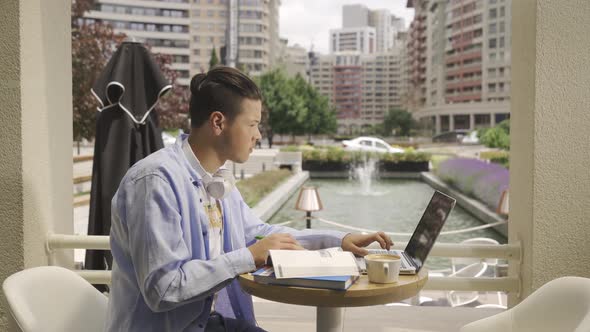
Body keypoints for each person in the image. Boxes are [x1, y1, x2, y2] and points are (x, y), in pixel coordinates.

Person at [105, 66, 393, 332]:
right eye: (253, 124)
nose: (258, 135)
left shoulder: (216, 178)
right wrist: (248, 257)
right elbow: (163, 289)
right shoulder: (155, 182)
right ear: (218, 122)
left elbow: (261, 234)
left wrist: (339, 241)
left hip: (206, 322)